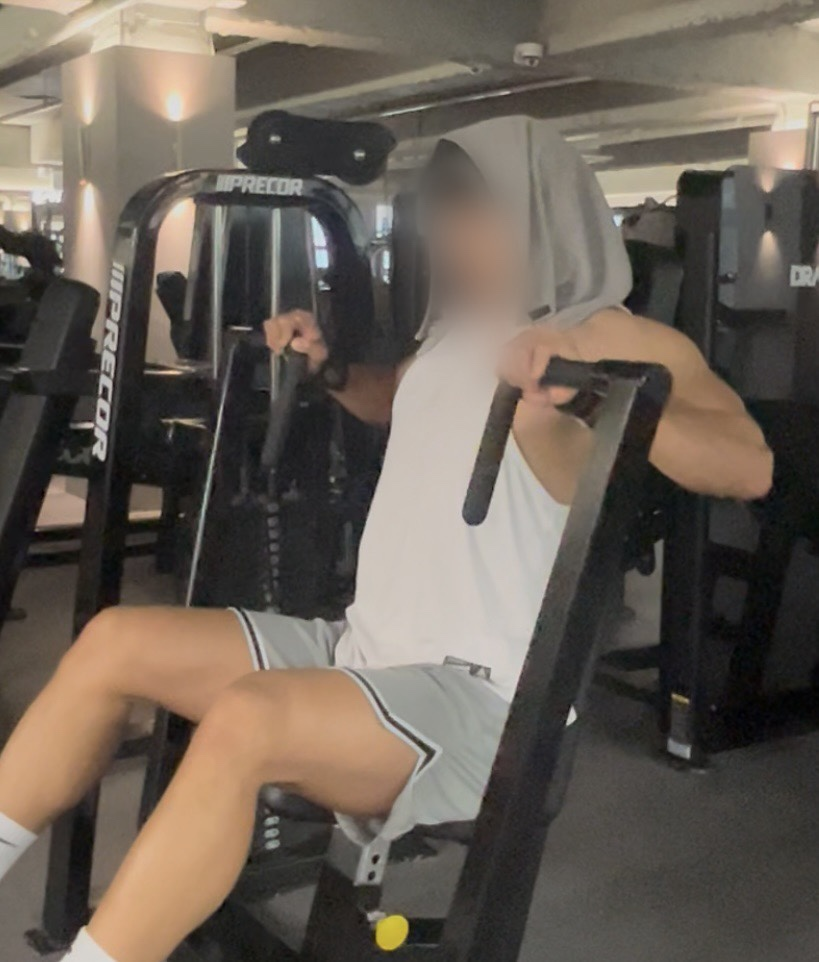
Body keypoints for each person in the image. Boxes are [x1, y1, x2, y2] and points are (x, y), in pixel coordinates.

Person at [0, 117, 772, 962]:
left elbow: (746, 466)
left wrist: (585, 390)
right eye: (440, 222)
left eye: (469, 218)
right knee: (114, 642)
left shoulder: (607, 333)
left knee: (249, 718)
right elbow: (395, 400)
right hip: (365, 653)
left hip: (481, 705)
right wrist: (327, 366)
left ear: (536, 211)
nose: (448, 242)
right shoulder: (456, 330)